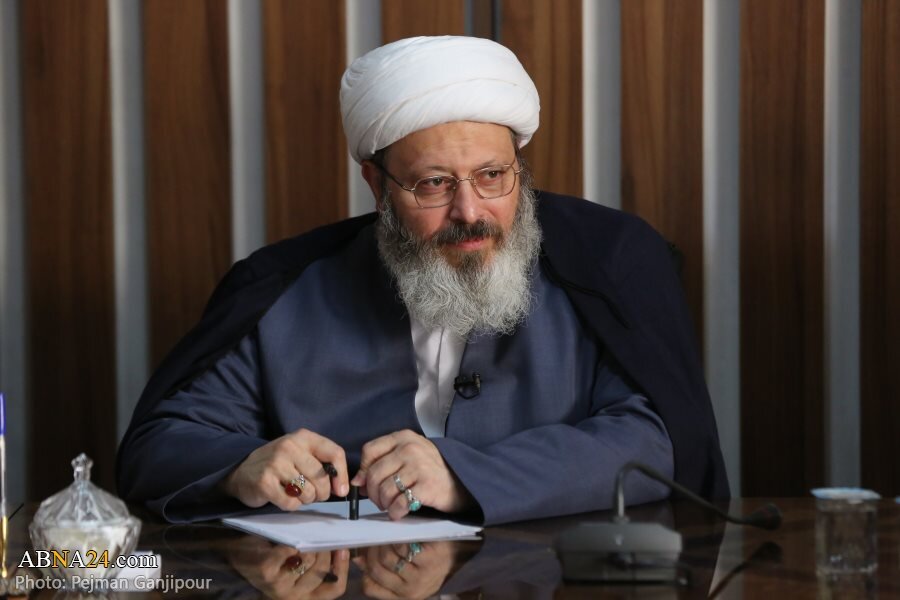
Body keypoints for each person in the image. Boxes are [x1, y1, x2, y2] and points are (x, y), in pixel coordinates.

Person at [117, 35, 728, 524]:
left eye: (492, 175)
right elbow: (161, 444)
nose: (470, 211)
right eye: (433, 183)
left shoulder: (603, 265)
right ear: (377, 184)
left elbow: (653, 439)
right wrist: (242, 464)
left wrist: (464, 475)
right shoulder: (286, 291)